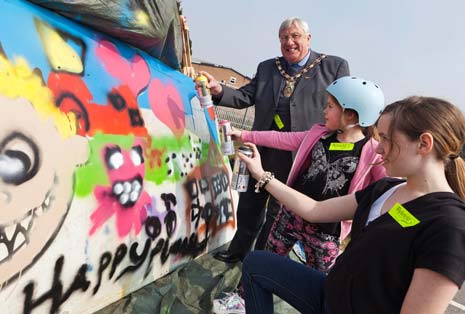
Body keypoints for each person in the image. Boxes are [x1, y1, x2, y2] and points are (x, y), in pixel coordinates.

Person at [238, 96, 465, 314]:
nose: (378, 148)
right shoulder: (385, 188)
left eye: (386, 139)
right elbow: (315, 210)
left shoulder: (449, 226)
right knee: (257, 263)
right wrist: (261, 175)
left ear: (424, 144)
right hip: (329, 295)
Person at [213, 76, 386, 314]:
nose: (324, 110)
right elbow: (281, 139)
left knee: (319, 284)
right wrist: (243, 135)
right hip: (289, 216)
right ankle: (242, 300)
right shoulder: (318, 135)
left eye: (330, 106)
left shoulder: (374, 154)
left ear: (352, 116)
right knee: (265, 258)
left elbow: (388, 190)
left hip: (326, 234)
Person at [202, 17, 350, 264]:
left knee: (278, 212)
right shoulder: (268, 67)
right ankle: (237, 251)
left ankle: (259, 260)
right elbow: (243, 97)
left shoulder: (333, 67)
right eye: (283, 38)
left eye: (294, 36)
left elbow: (343, 108)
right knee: (250, 203)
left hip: (301, 153)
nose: (288, 42)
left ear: (308, 38)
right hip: (263, 148)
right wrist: (219, 90)